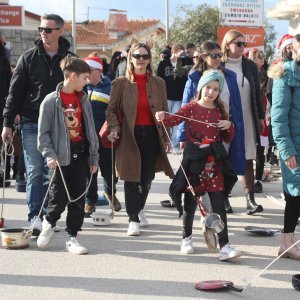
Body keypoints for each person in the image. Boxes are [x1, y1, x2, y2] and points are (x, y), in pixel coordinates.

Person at [155, 70, 242, 261]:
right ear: (201, 87)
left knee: (219, 205)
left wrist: (229, 126)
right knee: (190, 205)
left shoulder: (220, 111)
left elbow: (227, 136)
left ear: (219, 92)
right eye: (208, 87)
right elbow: (173, 120)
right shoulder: (191, 107)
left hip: (214, 165)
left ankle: (224, 245)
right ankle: (186, 239)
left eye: (215, 89)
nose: (211, 92)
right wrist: (162, 116)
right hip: (194, 163)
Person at [1, 14, 73, 235]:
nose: (43, 32)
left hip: (61, 125)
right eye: (41, 28)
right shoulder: (28, 57)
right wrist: (7, 123)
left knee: (53, 173)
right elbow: (15, 92)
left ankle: (49, 216)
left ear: (60, 31)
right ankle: (35, 218)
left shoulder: (70, 60)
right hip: (32, 122)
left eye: (48, 29)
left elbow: (81, 93)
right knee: (35, 171)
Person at [106, 39, 174, 236]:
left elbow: (165, 111)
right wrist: (114, 127)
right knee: (130, 177)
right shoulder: (120, 83)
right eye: (137, 56)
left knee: (147, 178)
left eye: (145, 56)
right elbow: (111, 110)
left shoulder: (159, 83)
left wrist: (166, 136)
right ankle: (133, 218)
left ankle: (139, 209)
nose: (141, 60)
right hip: (129, 136)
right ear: (130, 58)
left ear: (150, 59)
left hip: (152, 134)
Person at [37, 55, 99, 254]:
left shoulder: (83, 99)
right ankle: (49, 221)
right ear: (73, 76)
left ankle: (72, 237)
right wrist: (49, 154)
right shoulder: (50, 101)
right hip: (59, 157)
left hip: (81, 154)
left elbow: (90, 130)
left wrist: (93, 157)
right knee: (58, 197)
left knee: (78, 199)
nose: (87, 82)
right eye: (85, 78)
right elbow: (43, 134)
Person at [177, 41, 245, 213]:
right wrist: (183, 136)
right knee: (200, 172)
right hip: (198, 136)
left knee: (222, 168)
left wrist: (233, 126)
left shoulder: (229, 76)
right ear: (204, 57)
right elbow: (185, 108)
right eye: (213, 55)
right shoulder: (194, 77)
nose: (217, 59)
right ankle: (205, 212)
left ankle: (220, 200)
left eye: (219, 55)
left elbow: (235, 104)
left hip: (223, 131)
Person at [221, 29, 265, 215]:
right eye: (238, 44)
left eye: (243, 44)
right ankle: (223, 198)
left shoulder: (249, 66)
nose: (242, 47)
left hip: (247, 116)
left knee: (248, 157)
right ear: (227, 45)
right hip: (225, 118)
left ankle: (250, 200)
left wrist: (261, 117)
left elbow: (257, 93)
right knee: (225, 156)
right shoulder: (219, 64)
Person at [269, 37, 300, 260]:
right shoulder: (285, 76)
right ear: (293, 49)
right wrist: (287, 150)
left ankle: (288, 243)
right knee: (295, 194)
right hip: (294, 147)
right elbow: (278, 119)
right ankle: (286, 242)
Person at [83, 55, 121, 216]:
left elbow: (116, 113)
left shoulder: (110, 88)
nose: (86, 75)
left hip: (105, 137)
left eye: (89, 71)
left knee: (108, 170)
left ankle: (110, 193)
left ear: (98, 71)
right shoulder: (81, 87)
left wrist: (114, 130)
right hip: (86, 137)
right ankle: (90, 201)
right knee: (89, 171)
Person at [157, 43, 188, 154]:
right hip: (166, 96)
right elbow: (158, 79)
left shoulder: (183, 64)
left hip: (179, 97)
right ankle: (164, 143)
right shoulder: (163, 63)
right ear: (174, 51)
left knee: (176, 120)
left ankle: (174, 144)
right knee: (164, 120)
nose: (182, 54)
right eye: (180, 51)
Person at [248, 49, 269, 193]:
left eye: (262, 57)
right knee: (248, 148)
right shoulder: (247, 72)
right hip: (249, 113)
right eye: (257, 57)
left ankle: (258, 180)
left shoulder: (267, 76)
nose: (260, 59)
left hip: (264, 114)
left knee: (261, 149)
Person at [0, 31, 12, 186]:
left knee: (6, 142)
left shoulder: (3, 57)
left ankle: (5, 174)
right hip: (3, 105)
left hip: (3, 105)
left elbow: (9, 85)